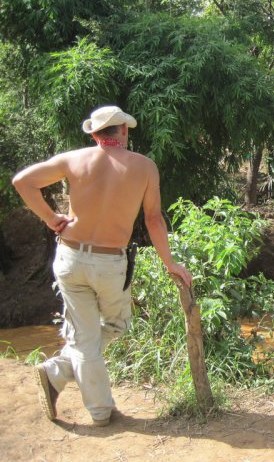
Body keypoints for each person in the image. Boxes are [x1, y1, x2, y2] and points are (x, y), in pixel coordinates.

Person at [12, 105, 192, 427]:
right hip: (110, 262)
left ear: (95, 135)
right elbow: (153, 219)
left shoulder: (73, 159)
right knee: (114, 326)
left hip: (70, 256)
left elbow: (22, 181)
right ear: (123, 131)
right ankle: (100, 412)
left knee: (85, 337)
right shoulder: (145, 167)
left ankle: (57, 371)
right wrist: (170, 262)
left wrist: (51, 217)